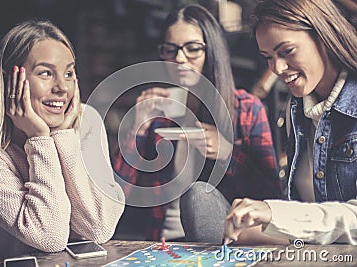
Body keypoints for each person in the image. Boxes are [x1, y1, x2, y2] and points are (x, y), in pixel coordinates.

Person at [0, 19, 125, 265]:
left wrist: (64, 136)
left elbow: (98, 229)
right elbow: (49, 236)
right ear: (9, 81)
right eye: (45, 73)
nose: (62, 88)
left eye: (68, 73)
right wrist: (39, 139)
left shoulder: (86, 121)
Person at [113, 4, 282, 242]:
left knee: (198, 196)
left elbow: (271, 199)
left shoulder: (246, 108)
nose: (179, 59)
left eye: (192, 49)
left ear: (212, 51)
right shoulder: (161, 110)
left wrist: (227, 153)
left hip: (217, 240)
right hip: (160, 241)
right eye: (170, 50)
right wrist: (136, 129)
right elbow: (116, 196)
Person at [223, 0, 357, 245]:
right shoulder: (300, 107)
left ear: (324, 37)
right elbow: (305, 205)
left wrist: (277, 214)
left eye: (286, 52)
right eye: (268, 58)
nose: (277, 68)